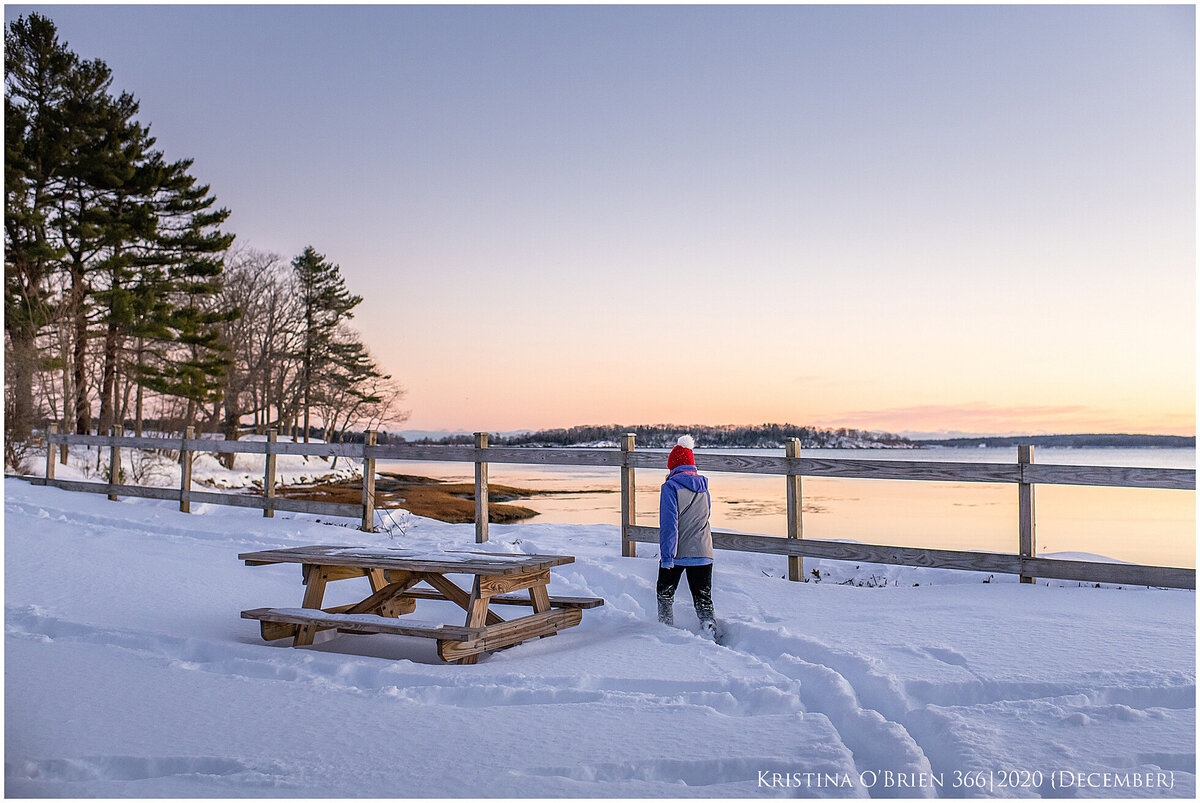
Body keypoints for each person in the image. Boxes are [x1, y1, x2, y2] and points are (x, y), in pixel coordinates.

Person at [657, 434, 716, 634]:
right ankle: (709, 630)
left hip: (677, 553)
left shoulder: (670, 487)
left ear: (672, 466)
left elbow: (669, 526)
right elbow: (705, 517)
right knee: (703, 599)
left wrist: (667, 558)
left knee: (665, 595)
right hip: (703, 551)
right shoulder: (704, 488)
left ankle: (665, 630)